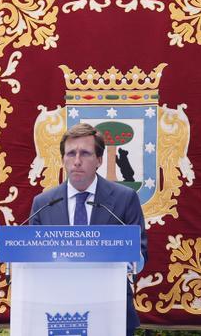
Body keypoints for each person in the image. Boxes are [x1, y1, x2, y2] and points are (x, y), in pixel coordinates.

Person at [28, 123, 148, 336]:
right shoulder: (43, 203)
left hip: (111, 309)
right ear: (63, 159)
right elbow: (31, 260)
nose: (76, 161)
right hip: (57, 311)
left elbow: (140, 255)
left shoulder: (124, 198)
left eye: (85, 153)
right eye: (70, 154)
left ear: (99, 160)